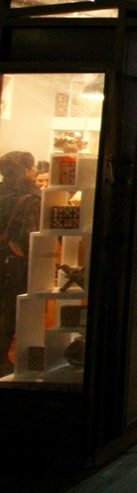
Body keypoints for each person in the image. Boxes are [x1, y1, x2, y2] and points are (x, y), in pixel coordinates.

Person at [0, 151, 41, 376]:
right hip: (14, 263)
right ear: (26, 170)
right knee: (12, 313)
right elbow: (29, 237)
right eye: (33, 168)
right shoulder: (29, 198)